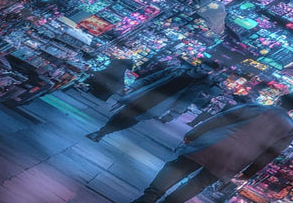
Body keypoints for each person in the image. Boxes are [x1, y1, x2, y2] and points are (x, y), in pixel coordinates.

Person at [129, 94, 293, 203]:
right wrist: (249, 172)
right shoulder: (290, 129)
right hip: (236, 159)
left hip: (212, 143)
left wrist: (195, 133)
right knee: (198, 184)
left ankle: (148, 198)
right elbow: (270, 154)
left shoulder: (255, 107)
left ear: (279, 99)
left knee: (176, 169)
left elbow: (221, 119)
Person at [87, 54, 221, 142]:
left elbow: (186, 100)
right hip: (146, 95)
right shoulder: (177, 70)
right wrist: (134, 86)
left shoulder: (199, 84)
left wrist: (173, 114)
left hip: (160, 104)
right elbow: (153, 78)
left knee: (132, 120)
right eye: (202, 68)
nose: (202, 71)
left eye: (206, 70)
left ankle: (104, 133)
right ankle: (101, 132)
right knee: (121, 114)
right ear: (199, 65)